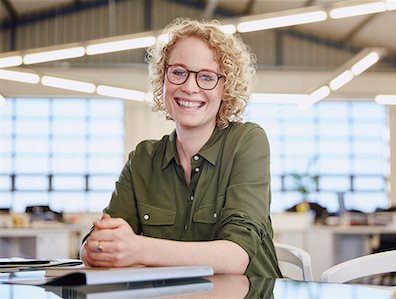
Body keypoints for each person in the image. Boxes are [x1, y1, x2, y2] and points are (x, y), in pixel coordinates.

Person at [80, 17, 282, 278]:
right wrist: (96, 248)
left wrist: (138, 249)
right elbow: (98, 242)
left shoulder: (247, 141)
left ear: (227, 89)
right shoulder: (143, 159)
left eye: (207, 77)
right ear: (163, 79)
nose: (189, 87)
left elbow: (236, 257)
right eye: (178, 72)